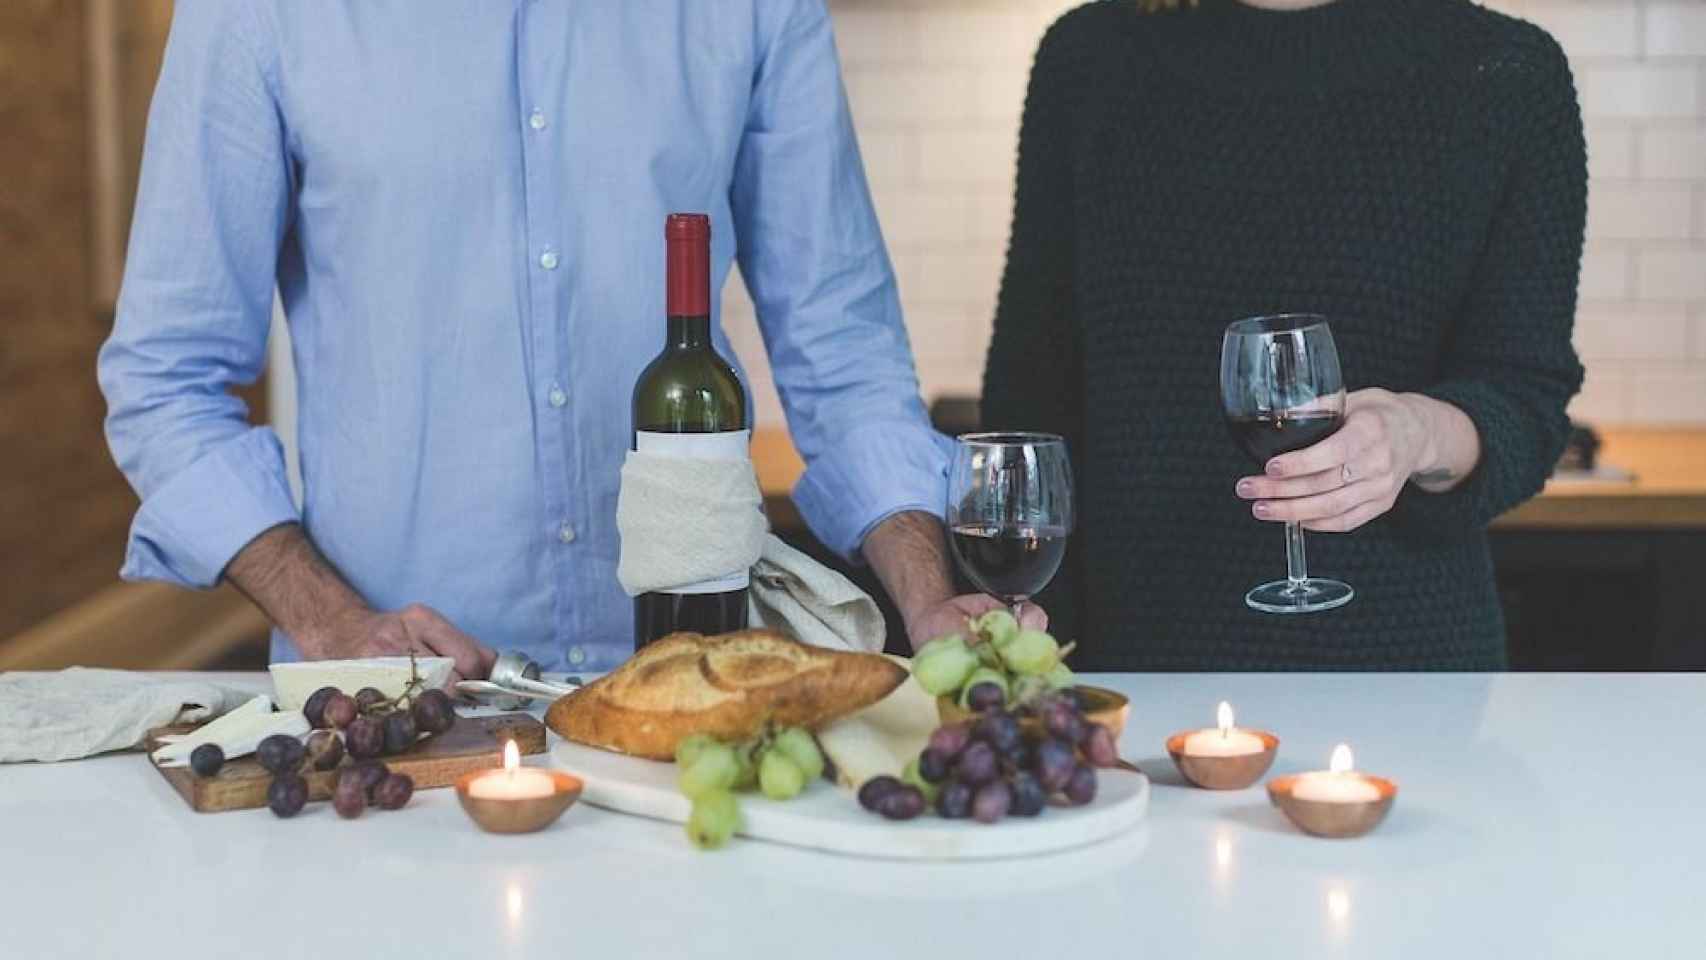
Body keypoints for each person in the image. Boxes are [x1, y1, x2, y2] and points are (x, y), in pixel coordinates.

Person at [99, 0, 1039, 680]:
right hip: (399, 710)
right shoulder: (258, 13)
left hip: (687, 692)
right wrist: (333, 621)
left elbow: (843, 352)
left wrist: (925, 598)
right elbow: (166, 378)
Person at [983, 0, 1585, 670]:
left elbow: (1526, 402)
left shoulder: (1505, 73)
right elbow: (1029, 396)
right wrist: (1025, 656)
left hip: (1405, 673)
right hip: (1132, 668)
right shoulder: (1087, 58)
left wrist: (1415, 432)